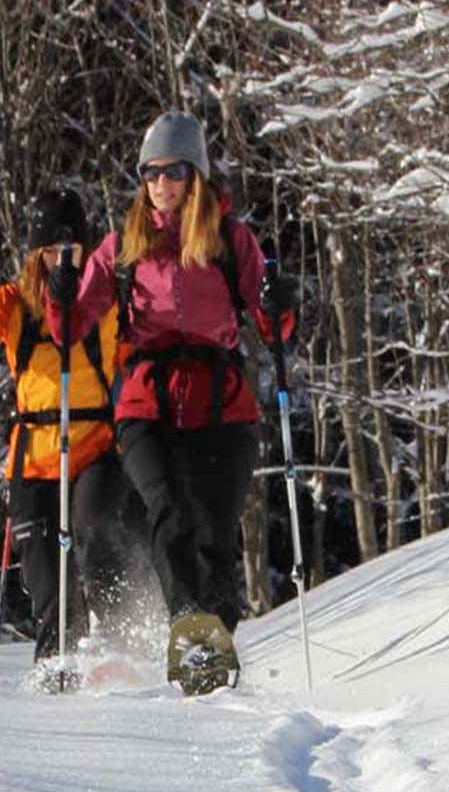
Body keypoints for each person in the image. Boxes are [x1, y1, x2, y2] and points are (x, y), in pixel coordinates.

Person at [44, 112, 295, 689]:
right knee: (171, 510)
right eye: (150, 172)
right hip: (146, 404)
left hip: (221, 402)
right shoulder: (123, 247)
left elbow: (273, 329)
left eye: (173, 171)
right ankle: (188, 626)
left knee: (215, 527)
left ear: (196, 175)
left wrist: (276, 302)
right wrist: (61, 295)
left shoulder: (230, 241)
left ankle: (214, 639)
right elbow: (71, 326)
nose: (161, 183)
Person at [0, 189, 131, 672]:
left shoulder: (104, 299)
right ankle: (55, 673)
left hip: (94, 447)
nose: (62, 260)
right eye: (50, 250)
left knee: (95, 532)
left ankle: (122, 645)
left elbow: (134, 355)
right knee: (49, 585)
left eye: (71, 250)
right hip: (32, 458)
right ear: (35, 254)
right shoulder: (14, 302)